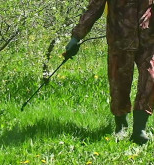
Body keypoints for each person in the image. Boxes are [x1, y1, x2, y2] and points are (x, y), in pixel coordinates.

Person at [64, 0, 154, 145]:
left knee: (151, 78)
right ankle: (121, 125)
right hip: (120, 38)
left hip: (148, 39)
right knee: (119, 83)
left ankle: (139, 129)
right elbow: (94, 8)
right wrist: (76, 37)